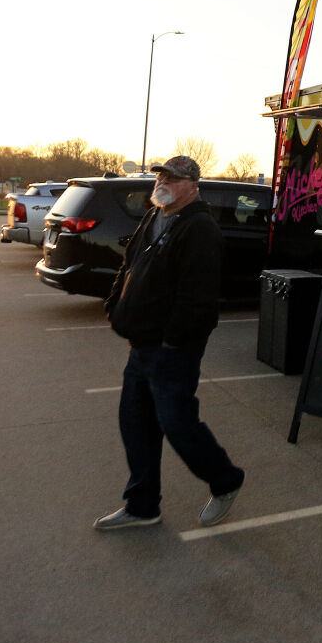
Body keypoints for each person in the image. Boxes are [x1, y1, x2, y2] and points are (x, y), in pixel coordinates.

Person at [94, 155, 246, 531]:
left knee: (177, 424)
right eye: (160, 174)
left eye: (173, 178)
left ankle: (226, 481)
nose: (162, 181)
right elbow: (129, 265)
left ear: (193, 186)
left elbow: (198, 299)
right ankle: (142, 506)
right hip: (141, 345)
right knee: (136, 424)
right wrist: (115, 306)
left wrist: (172, 342)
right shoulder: (155, 215)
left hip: (172, 350)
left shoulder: (200, 230)